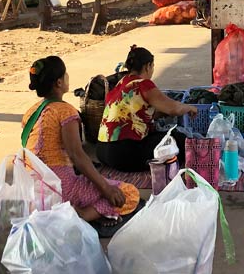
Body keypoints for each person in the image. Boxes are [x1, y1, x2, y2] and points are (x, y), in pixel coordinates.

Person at [23, 56, 140, 227]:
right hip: (58, 187)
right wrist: (106, 189)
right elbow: (77, 155)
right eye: (65, 74)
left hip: (32, 190)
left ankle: (71, 208)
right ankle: (85, 214)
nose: (67, 77)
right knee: (129, 193)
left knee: (94, 181)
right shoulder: (66, 112)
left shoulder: (30, 113)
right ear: (59, 83)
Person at [97, 46, 197, 172]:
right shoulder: (143, 83)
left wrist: (161, 114)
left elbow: (136, 114)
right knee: (179, 141)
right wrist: (190, 107)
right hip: (123, 153)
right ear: (147, 66)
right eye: (152, 66)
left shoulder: (121, 82)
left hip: (102, 150)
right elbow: (174, 109)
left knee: (160, 138)